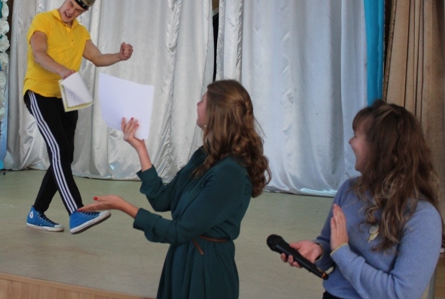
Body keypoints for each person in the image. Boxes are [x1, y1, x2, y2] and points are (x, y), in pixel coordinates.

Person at [80, 79, 271, 298]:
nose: (197, 104)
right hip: (183, 258)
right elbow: (162, 200)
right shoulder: (205, 155)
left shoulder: (230, 174)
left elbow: (178, 231)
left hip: (207, 269)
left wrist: (123, 206)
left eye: (203, 101)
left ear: (215, 113)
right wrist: (141, 149)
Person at [280, 100, 442, 299]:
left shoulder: (423, 217)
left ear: (379, 148)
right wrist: (318, 250)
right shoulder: (349, 190)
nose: (350, 142)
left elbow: (400, 294)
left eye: (356, 135)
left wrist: (342, 252)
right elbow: (330, 243)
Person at [24, 0, 133, 234]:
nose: (70, 11)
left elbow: (97, 58)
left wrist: (119, 56)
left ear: (84, 12)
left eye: (77, 10)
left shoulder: (81, 32)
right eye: (70, 5)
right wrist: (62, 70)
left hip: (67, 95)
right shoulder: (43, 20)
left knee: (64, 155)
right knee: (60, 150)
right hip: (40, 92)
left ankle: (36, 212)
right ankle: (76, 212)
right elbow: (38, 53)